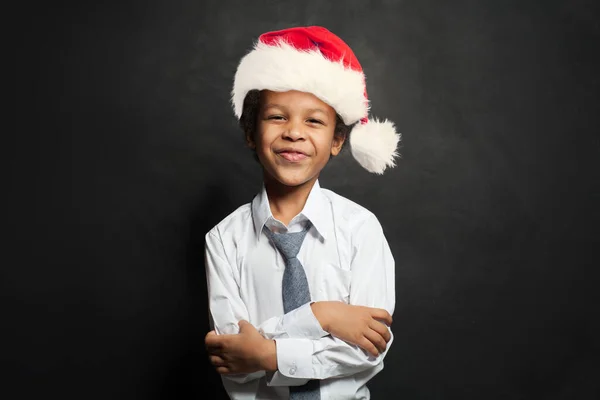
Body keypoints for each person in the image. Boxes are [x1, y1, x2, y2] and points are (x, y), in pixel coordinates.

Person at [204, 26, 401, 399]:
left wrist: (267, 353)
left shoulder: (361, 230)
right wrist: (321, 316)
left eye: (313, 121)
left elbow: (367, 350)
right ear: (250, 133)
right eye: (277, 117)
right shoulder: (224, 240)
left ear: (338, 141)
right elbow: (233, 358)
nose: (294, 132)